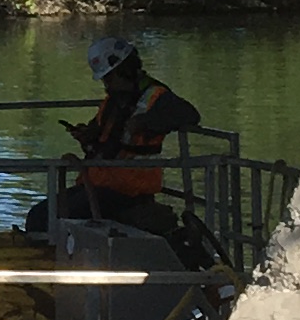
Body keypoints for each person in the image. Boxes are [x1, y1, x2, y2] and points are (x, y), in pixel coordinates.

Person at [43, 34, 207, 255]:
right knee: (42, 214)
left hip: (127, 192)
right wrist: (88, 135)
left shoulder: (156, 97)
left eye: (109, 78)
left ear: (124, 70)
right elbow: (106, 139)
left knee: (48, 218)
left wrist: (146, 122)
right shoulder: (114, 101)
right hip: (99, 185)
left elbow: (190, 114)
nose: (106, 85)